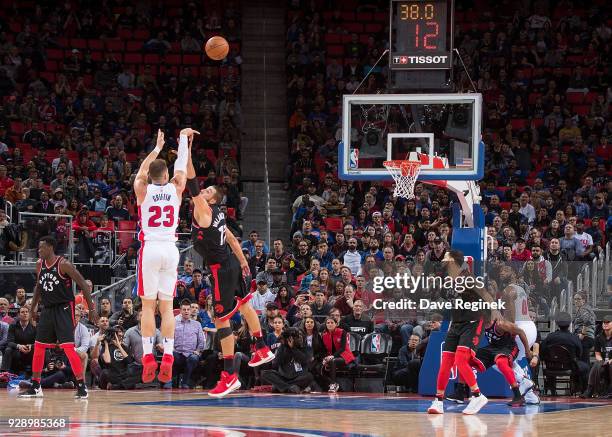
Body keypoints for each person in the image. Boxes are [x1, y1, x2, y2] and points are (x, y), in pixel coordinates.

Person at [186, 148, 274, 398]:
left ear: (211, 200)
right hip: (231, 264)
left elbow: (192, 181)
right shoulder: (219, 213)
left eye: (208, 191)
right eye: (205, 189)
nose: (204, 191)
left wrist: (187, 150)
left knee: (221, 320)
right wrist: (243, 261)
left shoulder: (204, 210)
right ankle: (261, 347)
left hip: (220, 269)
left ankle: (229, 376)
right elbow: (232, 238)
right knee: (245, 305)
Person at [134, 128, 190, 385]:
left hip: (151, 249)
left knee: (148, 306)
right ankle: (167, 356)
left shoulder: (142, 189)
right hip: (171, 248)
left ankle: (148, 357)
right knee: (167, 308)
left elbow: (141, 173)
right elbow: (181, 167)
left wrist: (156, 149)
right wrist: (182, 139)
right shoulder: (176, 187)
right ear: (166, 175)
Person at [20, 236, 97, 399]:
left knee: (68, 348)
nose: (39, 250)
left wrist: (92, 309)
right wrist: (33, 307)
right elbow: (39, 287)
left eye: (41, 248)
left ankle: (82, 386)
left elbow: (83, 284)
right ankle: (35, 386)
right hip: (47, 309)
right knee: (39, 347)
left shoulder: (63, 264)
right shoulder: (39, 265)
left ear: (50, 247)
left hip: (63, 308)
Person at [428, 250, 494, 415]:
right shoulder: (447, 280)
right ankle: (438, 401)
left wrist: (492, 318)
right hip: (456, 323)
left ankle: (477, 395)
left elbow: (488, 298)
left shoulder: (470, 278)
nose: (443, 259)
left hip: (472, 323)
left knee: (460, 360)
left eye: (446, 257)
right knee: (446, 362)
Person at [448, 318, 534, 407]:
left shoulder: (501, 324)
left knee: (501, 362)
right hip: (493, 347)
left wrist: (527, 350)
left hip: (509, 347)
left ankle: (517, 395)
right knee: (464, 359)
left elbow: (521, 332)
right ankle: (460, 393)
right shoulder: (479, 324)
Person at [261, 326, 314, 393]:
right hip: (283, 376)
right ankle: (289, 388)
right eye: (297, 336)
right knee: (265, 373)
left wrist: (293, 348)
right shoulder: (283, 347)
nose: (299, 338)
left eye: (300, 335)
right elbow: (275, 363)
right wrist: (285, 347)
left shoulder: (307, 348)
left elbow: (305, 360)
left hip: (298, 376)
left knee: (309, 376)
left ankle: (281, 387)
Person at [321, 316, 355, 393]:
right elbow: (324, 350)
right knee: (320, 366)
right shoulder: (324, 335)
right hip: (331, 357)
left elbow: (343, 348)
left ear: (336, 324)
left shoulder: (342, 332)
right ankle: (332, 385)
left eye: (332, 323)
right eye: (328, 323)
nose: (330, 324)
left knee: (333, 361)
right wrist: (325, 358)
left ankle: (333, 384)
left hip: (345, 356)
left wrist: (332, 356)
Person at [581, 315, 612, 398]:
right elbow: (597, 354)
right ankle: (590, 389)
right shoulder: (598, 337)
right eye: (604, 322)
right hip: (604, 362)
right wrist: (602, 361)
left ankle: (610, 390)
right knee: (597, 364)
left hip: (611, 362)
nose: (605, 324)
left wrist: (610, 361)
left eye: (608, 322)